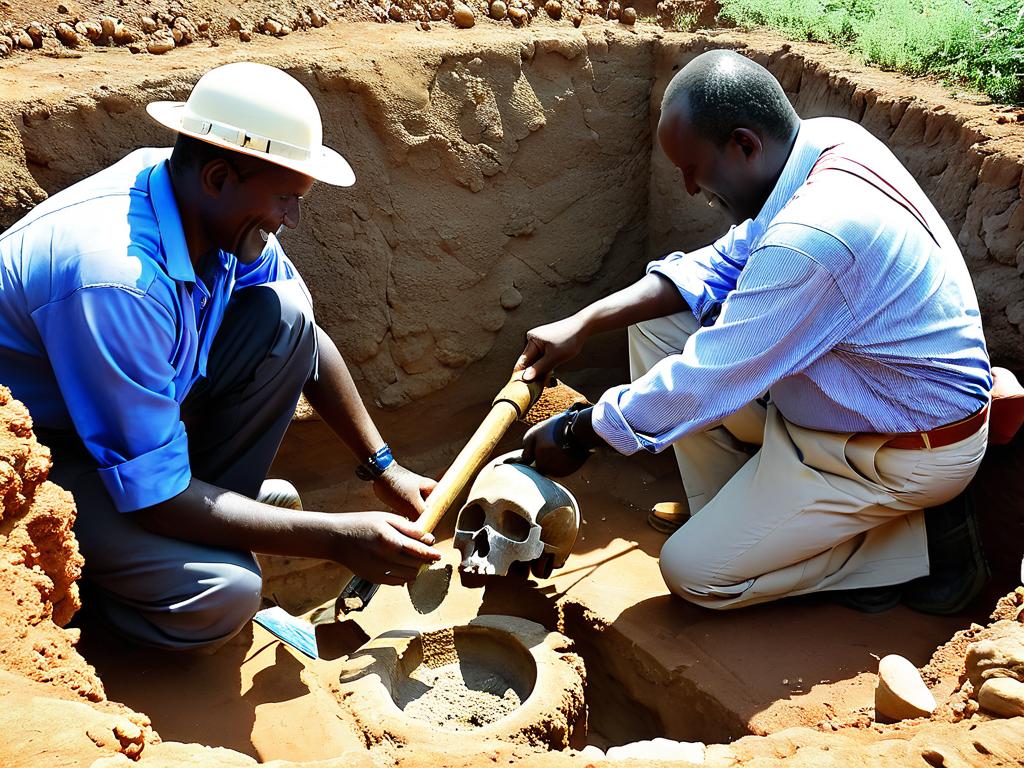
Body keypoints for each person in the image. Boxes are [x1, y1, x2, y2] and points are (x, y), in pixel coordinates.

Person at [516, 50, 992, 614]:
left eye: (694, 168)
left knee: (693, 573)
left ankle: (910, 549)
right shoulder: (823, 145)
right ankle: (737, 513)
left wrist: (576, 434)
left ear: (744, 144)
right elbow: (718, 267)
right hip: (848, 400)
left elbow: (707, 379)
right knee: (659, 328)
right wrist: (582, 323)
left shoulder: (814, 240)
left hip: (895, 452)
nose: (691, 189)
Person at [0, 62, 441, 651]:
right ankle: (81, 615)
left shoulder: (200, 208)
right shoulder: (118, 278)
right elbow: (153, 498)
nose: (293, 217)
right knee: (224, 595)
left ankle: (188, 536)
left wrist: (385, 468)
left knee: (282, 318)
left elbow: (304, 338)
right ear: (217, 176)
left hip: (108, 434)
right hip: (34, 466)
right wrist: (333, 538)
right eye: (285, 196)